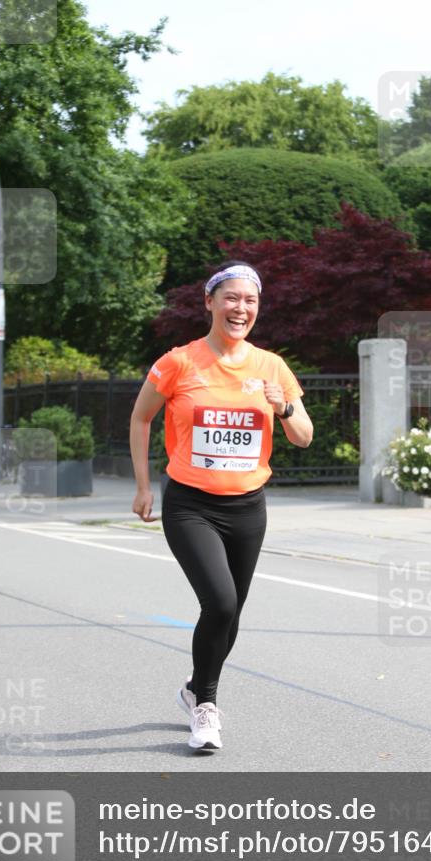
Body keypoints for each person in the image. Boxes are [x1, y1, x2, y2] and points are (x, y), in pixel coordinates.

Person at [130, 261, 313, 751]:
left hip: (248, 507)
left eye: (250, 300)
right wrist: (144, 486)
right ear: (209, 302)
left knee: (230, 616)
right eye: (231, 297)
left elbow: (303, 437)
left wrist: (285, 406)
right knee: (222, 602)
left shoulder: (271, 367)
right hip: (190, 503)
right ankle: (207, 706)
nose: (241, 308)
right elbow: (141, 417)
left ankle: (193, 688)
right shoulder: (179, 362)